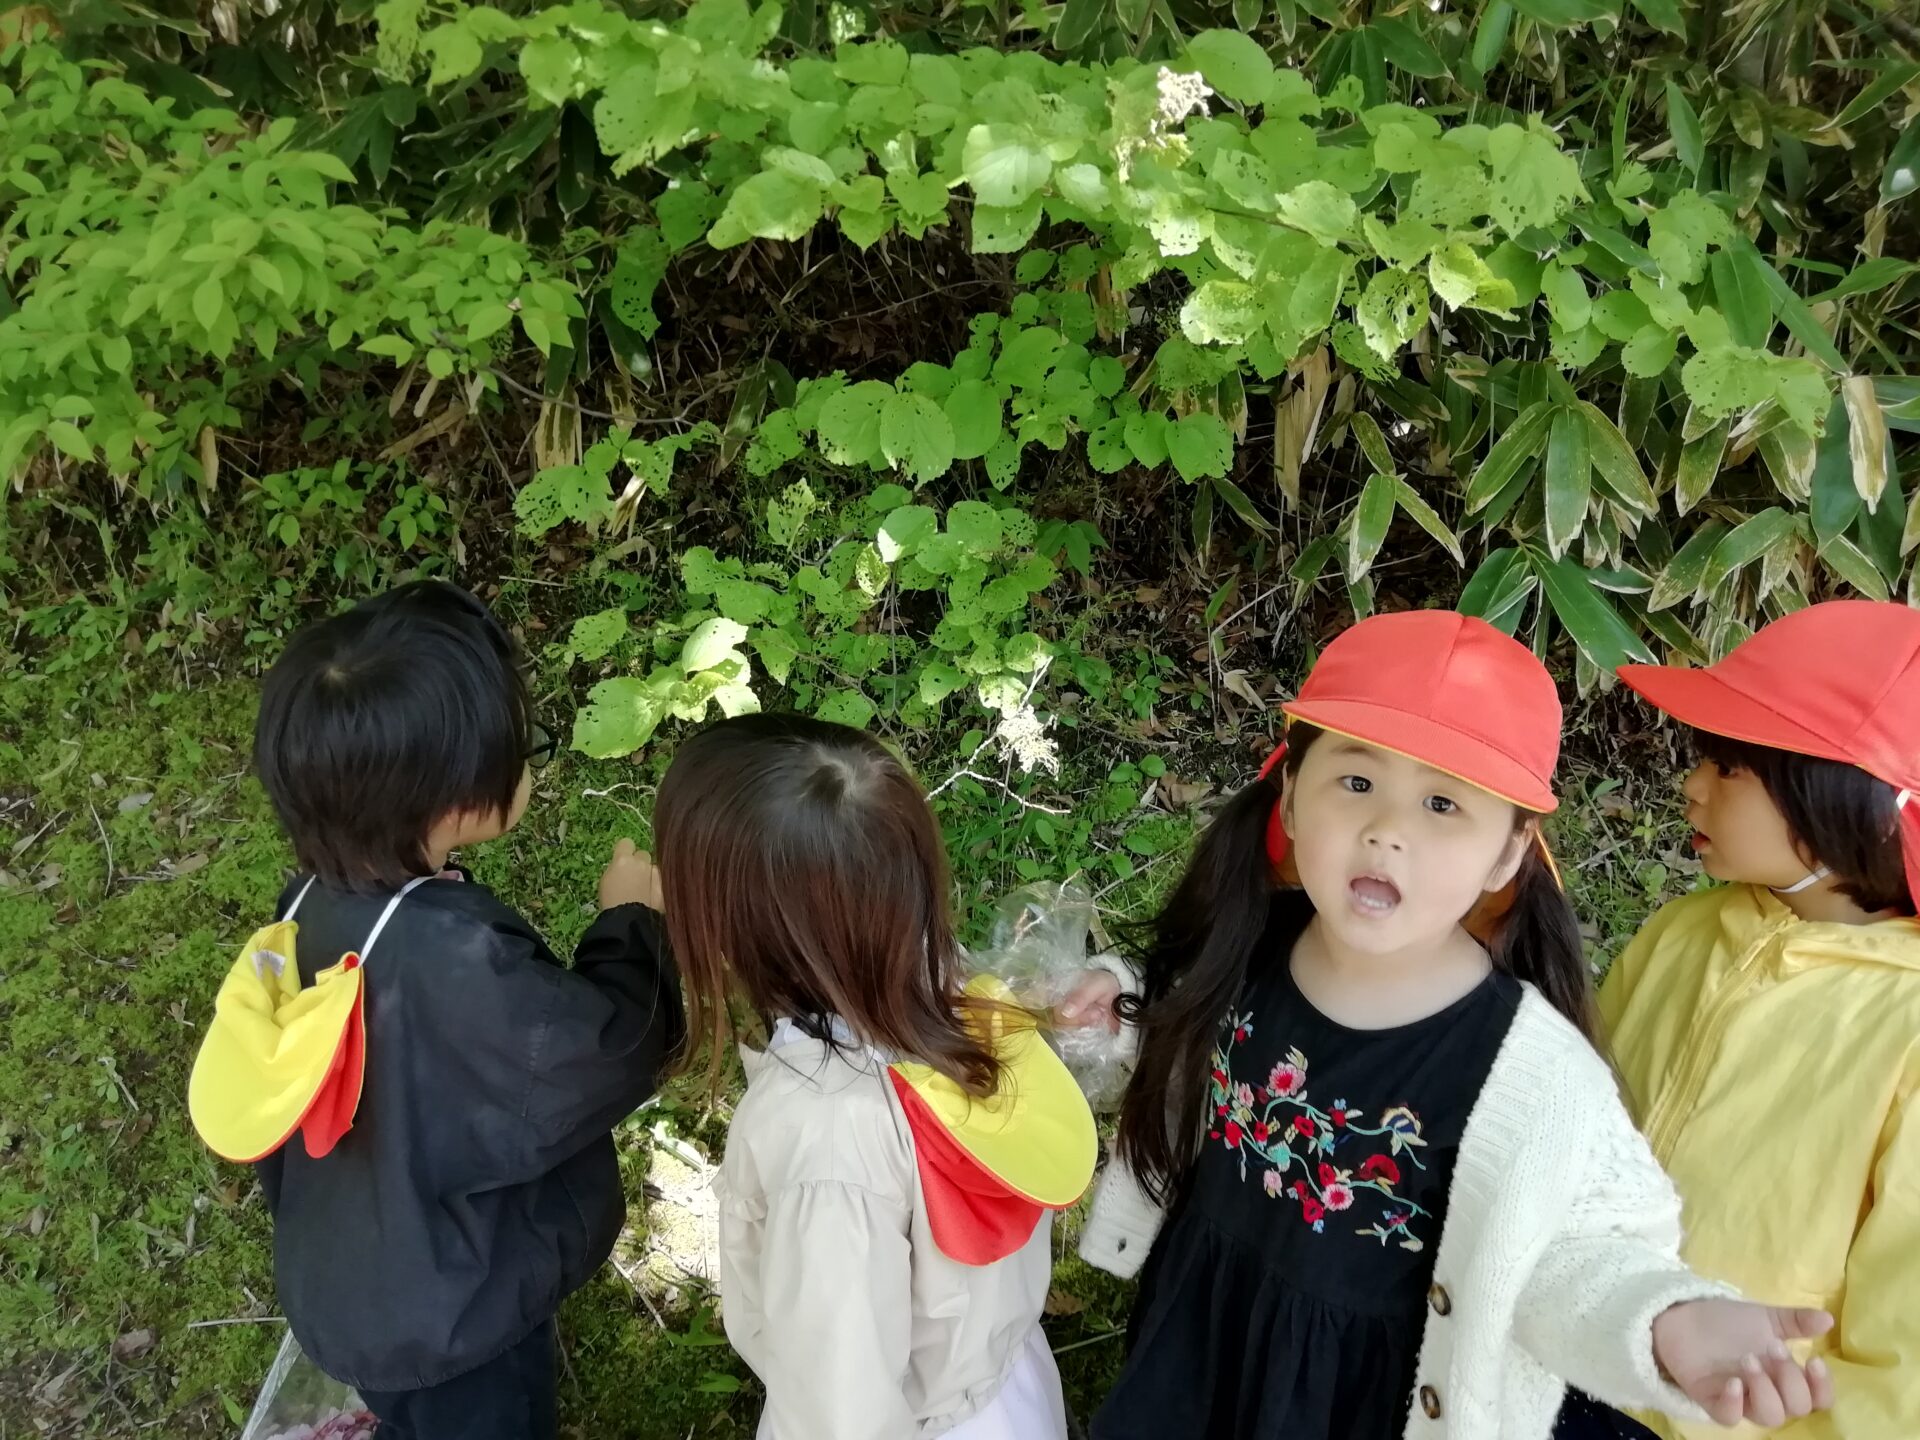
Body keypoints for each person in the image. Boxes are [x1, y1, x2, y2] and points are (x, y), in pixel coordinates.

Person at [1062, 610, 1834, 1440]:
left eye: (1442, 803)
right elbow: (1189, 1030)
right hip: (1204, 1334)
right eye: (1356, 783)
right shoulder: (1249, 945)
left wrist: (1666, 1317)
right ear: (1290, 794)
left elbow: (1583, 1250)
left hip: (1366, 1401)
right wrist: (1124, 1004)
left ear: (1509, 853)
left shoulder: (1536, 1076)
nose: (1388, 831)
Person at [202, 580, 682, 1440]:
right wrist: (630, 921)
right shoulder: (460, 970)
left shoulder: (305, 904)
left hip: (356, 1283)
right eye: (520, 748)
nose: (527, 762)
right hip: (456, 1324)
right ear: (457, 799)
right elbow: (604, 1053)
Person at [650, 713, 1098, 1440]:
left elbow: (841, 1409)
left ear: (736, 925)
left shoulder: (822, 1139)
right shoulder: (956, 993)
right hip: (1004, 1390)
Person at [1576, 599, 1920, 1440]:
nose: (1692, 785)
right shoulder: (1685, 931)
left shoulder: (1906, 1029)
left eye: (1730, 767)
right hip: (1573, 1355)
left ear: (1849, 799)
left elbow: (1902, 1370)